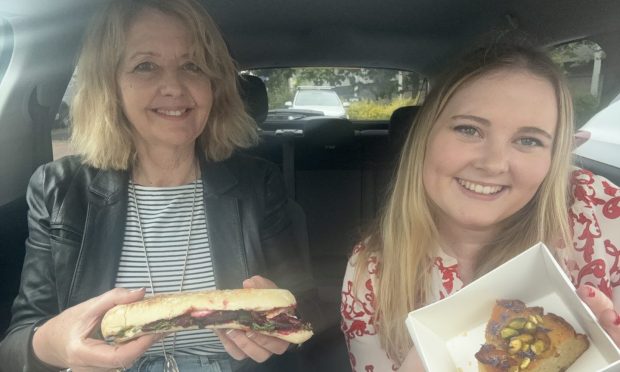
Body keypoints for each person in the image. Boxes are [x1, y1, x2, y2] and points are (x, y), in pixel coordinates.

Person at [0, 0, 321, 371]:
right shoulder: (58, 188)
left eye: (192, 65)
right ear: (111, 86)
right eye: (145, 66)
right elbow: (15, 345)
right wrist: (55, 344)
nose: (174, 86)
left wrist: (282, 326)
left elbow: (307, 306)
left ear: (213, 85)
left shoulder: (258, 184)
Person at [340, 42, 620, 371]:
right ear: (424, 136)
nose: (494, 164)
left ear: (554, 156)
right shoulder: (372, 273)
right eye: (469, 129)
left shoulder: (596, 208)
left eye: (529, 140)